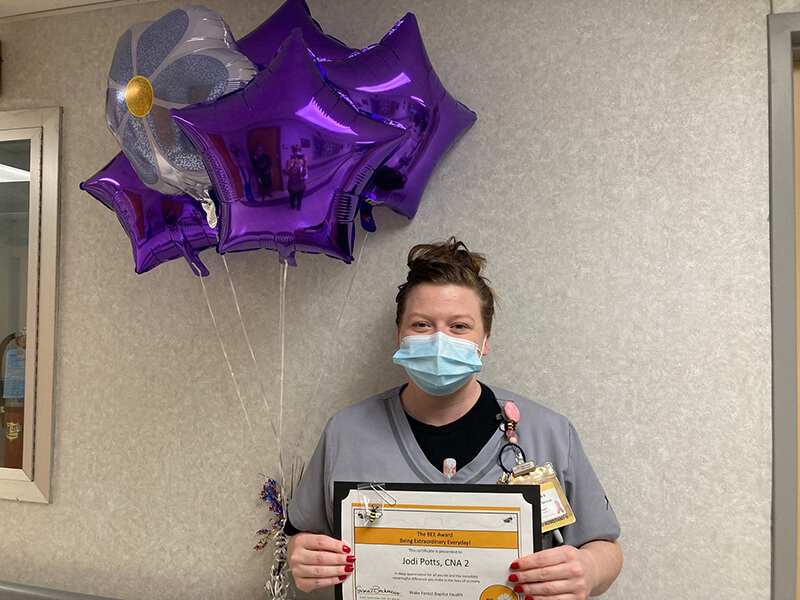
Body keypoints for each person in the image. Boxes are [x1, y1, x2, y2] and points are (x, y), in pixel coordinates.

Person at [286, 238, 622, 598]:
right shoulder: (347, 432)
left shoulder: (549, 433)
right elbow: (302, 534)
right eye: (421, 325)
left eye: (459, 327)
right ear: (399, 336)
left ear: (485, 341)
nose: (440, 340)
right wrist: (301, 556)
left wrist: (587, 570)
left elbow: (605, 547)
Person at [285, 144, 308, 210]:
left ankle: (298, 207)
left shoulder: (303, 161)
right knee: (292, 198)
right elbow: (288, 173)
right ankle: (292, 207)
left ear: (300, 150)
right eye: (295, 150)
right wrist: (294, 164)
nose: (296, 151)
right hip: (292, 185)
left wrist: (305, 164)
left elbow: (304, 174)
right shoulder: (289, 161)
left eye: (298, 150)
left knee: (299, 198)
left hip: (301, 185)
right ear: (292, 151)